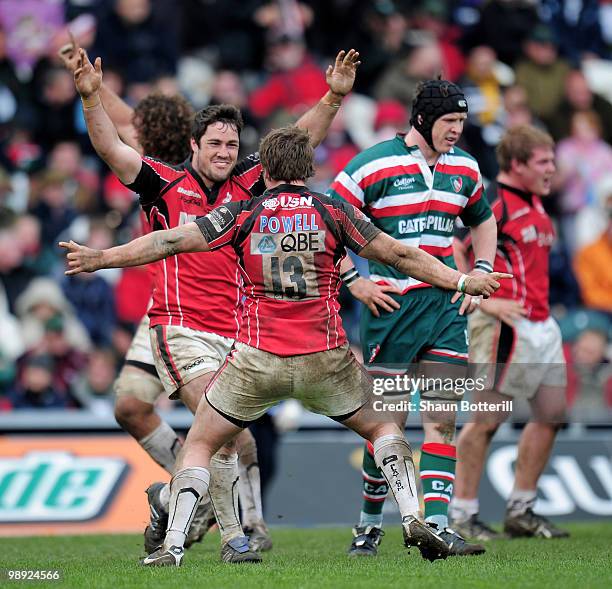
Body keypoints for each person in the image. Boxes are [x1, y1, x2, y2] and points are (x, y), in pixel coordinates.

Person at [60, 125, 509, 566]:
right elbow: (400, 255)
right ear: (309, 168)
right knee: (383, 428)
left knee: (200, 443)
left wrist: (102, 258)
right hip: (325, 358)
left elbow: (172, 239)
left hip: (257, 360)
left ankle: (174, 545)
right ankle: (414, 516)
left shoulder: (242, 212)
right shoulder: (334, 211)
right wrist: (463, 279)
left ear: (266, 169)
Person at [71, 45, 361, 561]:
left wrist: (334, 96)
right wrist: (91, 98)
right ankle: (236, 538)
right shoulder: (162, 182)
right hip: (178, 328)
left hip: (236, 334)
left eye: (232, 143)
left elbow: (298, 138)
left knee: (229, 440)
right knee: (212, 430)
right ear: (194, 145)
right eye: (216, 144)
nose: (226, 152)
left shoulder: (250, 182)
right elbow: (111, 149)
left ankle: (171, 501)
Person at [327, 79, 497, 556]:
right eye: (449, 122)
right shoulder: (372, 163)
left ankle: (437, 526)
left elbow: (482, 219)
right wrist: (351, 281)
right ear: (422, 120)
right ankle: (369, 522)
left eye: (461, 123)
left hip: (445, 307)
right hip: (392, 309)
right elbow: (328, 219)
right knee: (387, 424)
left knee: (443, 420)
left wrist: (480, 268)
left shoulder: (464, 167)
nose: (457, 132)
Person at [450, 125, 569, 540]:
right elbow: (455, 246)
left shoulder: (535, 203)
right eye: (543, 161)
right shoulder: (496, 203)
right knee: (487, 419)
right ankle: (462, 513)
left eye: (552, 160)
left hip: (539, 323)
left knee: (552, 415)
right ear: (517, 165)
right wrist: (483, 300)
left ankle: (521, 509)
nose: (552, 168)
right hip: (506, 325)